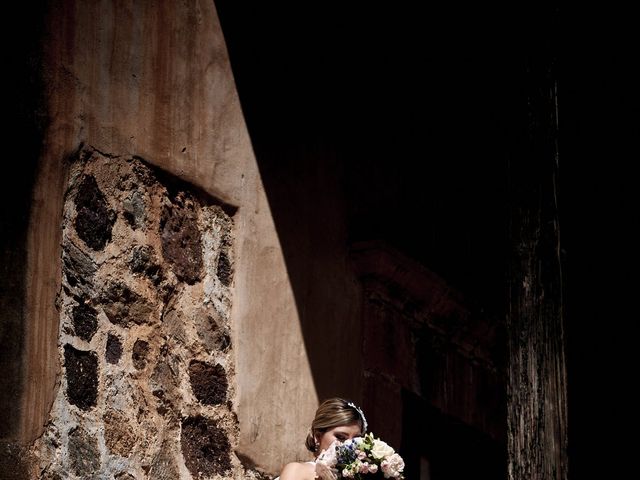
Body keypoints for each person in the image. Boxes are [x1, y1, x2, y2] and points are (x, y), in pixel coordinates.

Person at [275, 397, 368, 480]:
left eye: (356, 440)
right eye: (340, 437)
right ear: (317, 436)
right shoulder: (298, 470)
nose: (349, 445)